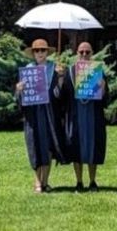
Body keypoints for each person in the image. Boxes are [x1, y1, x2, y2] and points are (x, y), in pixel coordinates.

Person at [15, 38, 69, 193]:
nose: (40, 53)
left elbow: (59, 96)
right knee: (35, 145)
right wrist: (19, 89)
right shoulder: (28, 70)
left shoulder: (54, 69)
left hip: (50, 114)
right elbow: (21, 97)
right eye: (37, 51)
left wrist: (60, 78)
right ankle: (37, 182)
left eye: (43, 50)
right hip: (33, 115)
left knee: (48, 147)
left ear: (47, 52)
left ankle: (45, 181)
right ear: (33, 53)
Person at [67, 41, 108, 191]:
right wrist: (59, 79)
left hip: (93, 117)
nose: (84, 55)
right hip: (76, 117)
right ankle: (79, 182)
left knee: (93, 148)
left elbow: (104, 98)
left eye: (87, 52)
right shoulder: (70, 71)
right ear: (76, 54)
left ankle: (92, 181)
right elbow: (63, 95)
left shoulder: (98, 71)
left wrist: (102, 88)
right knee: (76, 148)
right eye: (81, 52)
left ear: (92, 54)